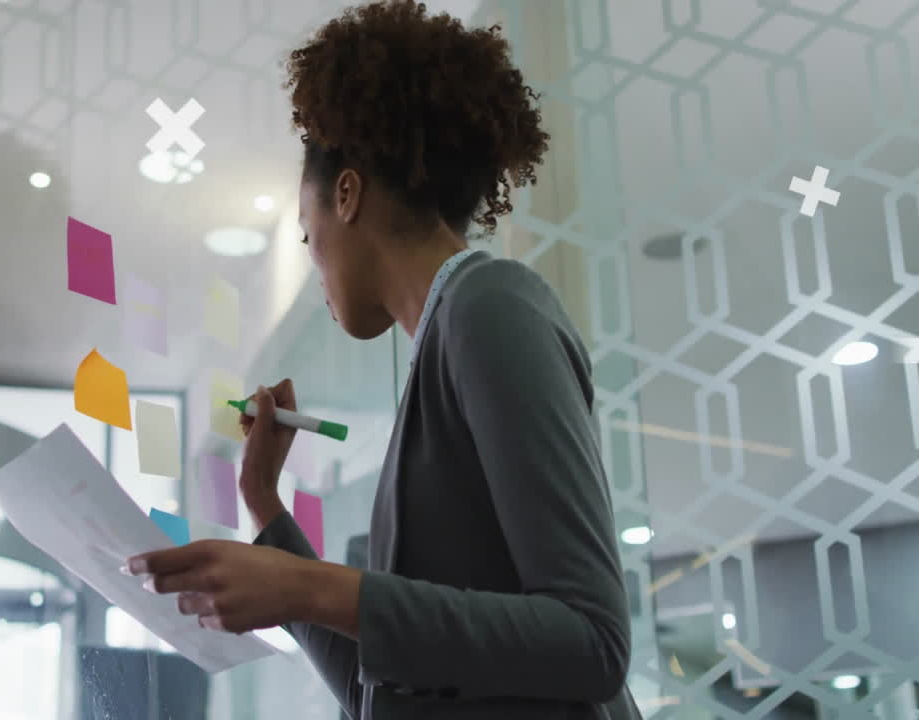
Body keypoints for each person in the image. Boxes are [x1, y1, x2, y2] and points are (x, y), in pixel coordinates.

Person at [125, 2, 643, 717]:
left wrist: (310, 588)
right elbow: (383, 689)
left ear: (347, 194)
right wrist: (265, 506)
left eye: (308, 239)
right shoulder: (445, 339)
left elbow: (593, 642)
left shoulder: (491, 307)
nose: (316, 267)